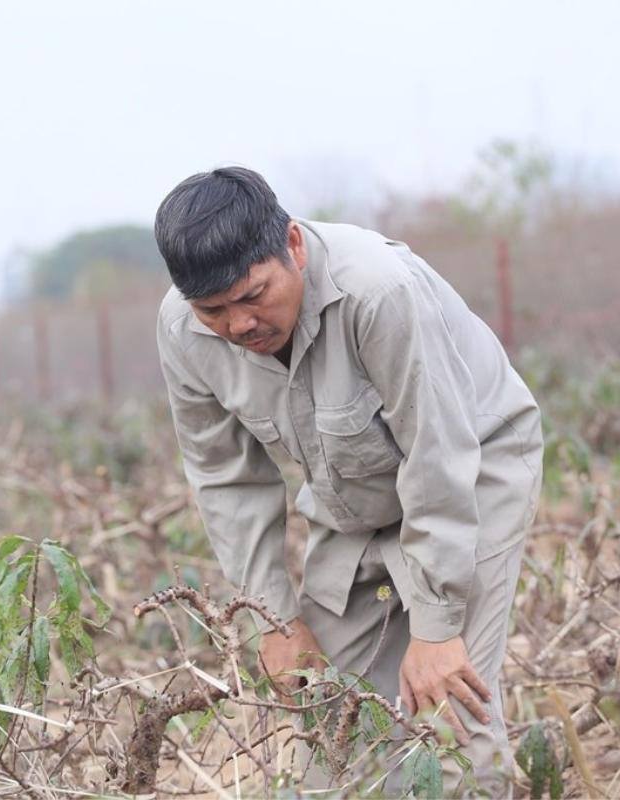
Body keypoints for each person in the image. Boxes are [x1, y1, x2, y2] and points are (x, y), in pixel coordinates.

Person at [153, 166, 543, 796]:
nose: (239, 325)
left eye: (254, 295)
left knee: (448, 718)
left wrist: (437, 627)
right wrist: (275, 622)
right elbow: (225, 478)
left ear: (294, 247)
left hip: (471, 471)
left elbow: (438, 450)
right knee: (333, 721)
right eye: (214, 310)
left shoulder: (378, 292)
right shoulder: (183, 330)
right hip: (352, 499)